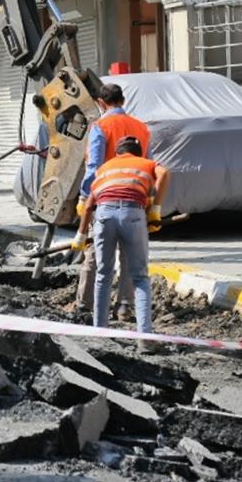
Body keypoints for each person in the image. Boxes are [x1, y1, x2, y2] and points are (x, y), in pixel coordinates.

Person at [73, 136, 170, 352]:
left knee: (103, 274)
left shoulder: (105, 168)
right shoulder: (146, 163)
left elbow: (89, 205)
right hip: (132, 215)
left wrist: (80, 235)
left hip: (104, 215)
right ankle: (144, 339)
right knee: (140, 278)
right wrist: (155, 209)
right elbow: (164, 174)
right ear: (139, 152)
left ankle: (100, 334)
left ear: (118, 153)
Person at [75, 83, 151, 319]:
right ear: (123, 100)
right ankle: (125, 306)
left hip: (105, 196)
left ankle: (86, 304)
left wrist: (86, 196)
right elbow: (147, 163)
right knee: (129, 254)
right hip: (135, 197)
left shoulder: (101, 126)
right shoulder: (142, 128)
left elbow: (94, 166)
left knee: (96, 254)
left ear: (100, 103)